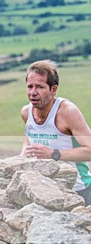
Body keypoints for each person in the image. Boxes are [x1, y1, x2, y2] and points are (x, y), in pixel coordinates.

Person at [20, 60, 91, 204]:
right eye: (30, 86)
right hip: (44, 191)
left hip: (78, 190)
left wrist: (53, 154)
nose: (33, 92)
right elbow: (28, 144)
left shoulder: (68, 112)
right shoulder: (26, 112)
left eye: (40, 87)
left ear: (53, 89)